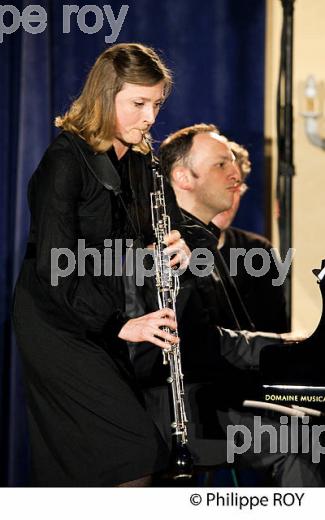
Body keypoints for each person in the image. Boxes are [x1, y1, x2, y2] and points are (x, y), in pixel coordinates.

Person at [12, 43, 191, 487]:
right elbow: (55, 267)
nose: (150, 117)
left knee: (91, 465)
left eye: (156, 104)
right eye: (138, 103)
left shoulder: (142, 161)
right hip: (57, 321)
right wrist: (119, 325)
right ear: (104, 95)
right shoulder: (65, 160)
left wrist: (185, 245)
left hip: (100, 317)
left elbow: (177, 225)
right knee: (132, 453)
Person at [131, 123, 323, 486]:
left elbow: (217, 338)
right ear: (183, 177)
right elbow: (194, 344)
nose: (236, 174)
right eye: (222, 164)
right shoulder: (167, 243)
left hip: (208, 394)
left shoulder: (203, 239)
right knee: (302, 439)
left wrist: (285, 346)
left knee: (311, 424)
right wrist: (281, 346)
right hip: (173, 406)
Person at [213, 141, 289, 332]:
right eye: (221, 187)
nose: (229, 198)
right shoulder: (162, 250)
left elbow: (275, 332)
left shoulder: (258, 251)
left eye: (235, 187)